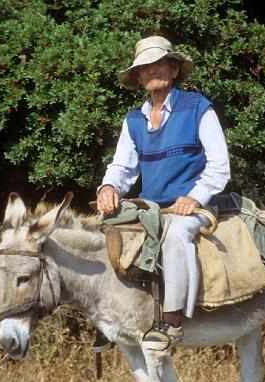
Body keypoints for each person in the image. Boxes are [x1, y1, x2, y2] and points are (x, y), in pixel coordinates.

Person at [97, 35, 230, 351]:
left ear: (173, 69)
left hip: (194, 207)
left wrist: (195, 196)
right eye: (145, 67)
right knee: (103, 233)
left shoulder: (197, 108)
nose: (152, 71)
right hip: (152, 208)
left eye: (159, 64)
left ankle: (171, 324)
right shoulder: (134, 120)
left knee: (175, 236)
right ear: (139, 76)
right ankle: (111, 319)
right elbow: (122, 168)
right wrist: (108, 187)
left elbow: (220, 165)